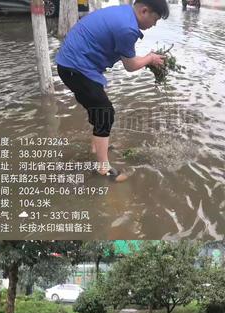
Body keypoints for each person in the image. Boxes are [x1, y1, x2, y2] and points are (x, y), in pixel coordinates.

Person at [56, 0, 169, 181]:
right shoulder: (128, 29)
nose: (153, 25)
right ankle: (103, 169)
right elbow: (130, 66)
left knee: (97, 108)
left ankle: (97, 146)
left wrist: (149, 58)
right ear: (145, 11)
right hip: (76, 67)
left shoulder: (124, 13)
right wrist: (150, 58)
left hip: (76, 64)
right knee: (105, 112)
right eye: (154, 20)